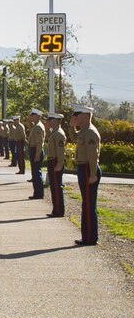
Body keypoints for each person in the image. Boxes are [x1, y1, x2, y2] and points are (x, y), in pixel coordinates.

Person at [70, 104, 101, 246]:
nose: (75, 118)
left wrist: (93, 173)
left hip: (88, 168)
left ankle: (90, 237)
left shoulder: (89, 132)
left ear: (86, 116)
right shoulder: (84, 131)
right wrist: (71, 126)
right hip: (84, 168)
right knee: (87, 203)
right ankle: (88, 236)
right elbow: (73, 137)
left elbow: (93, 155)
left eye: (77, 116)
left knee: (89, 204)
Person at [44, 112, 66, 217]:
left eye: (50, 120)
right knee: (54, 187)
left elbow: (61, 151)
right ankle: (56, 209)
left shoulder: (59, 134)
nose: (48, 122)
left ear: (57, 121)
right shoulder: (54, 132)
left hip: (55, 161)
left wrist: (60, 164)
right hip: (52, 160)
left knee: (57, 187)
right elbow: (47, 137)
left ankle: (58, 210)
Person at [25, 109, 46, 199]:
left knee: (37, 173)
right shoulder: (35, 126)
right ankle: (37, 192)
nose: (31, 117)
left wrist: (37, 155)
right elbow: (30, 127)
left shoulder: (38, 127)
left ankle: (39, 193)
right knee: (35, 173)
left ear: (37, 116)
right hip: (34, 149)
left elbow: (39, 142)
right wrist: (28, 120)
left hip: (36, 150)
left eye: (33, 115)